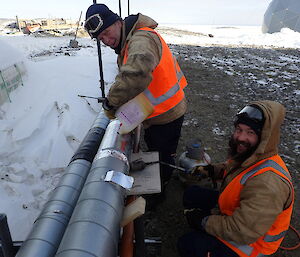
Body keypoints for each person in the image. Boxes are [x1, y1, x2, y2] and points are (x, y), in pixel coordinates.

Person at [84, 4, 188, 192]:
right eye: (101, 38)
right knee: (154, 150)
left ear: (118, 22)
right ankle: (157, 179)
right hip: (154, 111)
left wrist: (111, 102)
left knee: (162, 156)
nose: (107, 40)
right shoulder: (127, 42)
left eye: (107, 32)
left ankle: (160, 191)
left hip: (168, 113)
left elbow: (135, 74)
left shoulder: (141, 40)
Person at [177, 100, 294, 257]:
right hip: (235, 210)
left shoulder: (268, 184)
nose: (241, 137)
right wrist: (211, 171)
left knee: (188, 244)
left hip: (250, 245)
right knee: (191, 194)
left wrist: (204, 222)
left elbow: (241, 231)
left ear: (264, 137)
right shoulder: (252, 153)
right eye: (239, 129)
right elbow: (233, 169)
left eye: (250, 132)